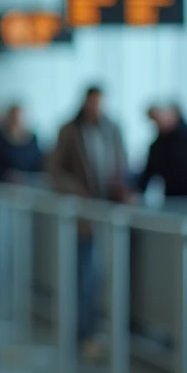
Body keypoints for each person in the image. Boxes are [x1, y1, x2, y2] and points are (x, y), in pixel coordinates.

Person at [49, 86, 130, 356]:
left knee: (104, 275)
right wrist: (75, 191)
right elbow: (55, 169)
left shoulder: (113, 129)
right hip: (82, 214)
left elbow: (122, 164)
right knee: (84, 274)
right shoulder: (70, 131)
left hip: (110, 213)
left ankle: (100, 331)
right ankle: (84, 330)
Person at [137, 104, 187, 198]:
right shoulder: (157, 146)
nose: (158, 123)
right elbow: (148, 172)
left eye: (159, 117)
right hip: (173, 199)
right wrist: (137, 193)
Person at [0, 104, 43, 183]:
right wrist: (6, 175)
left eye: (19, 117)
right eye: (14, 116)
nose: (17, 120)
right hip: (0, 184)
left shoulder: (32, 139)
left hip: (26, 184)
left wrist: (24, 176)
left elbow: (37, 163)